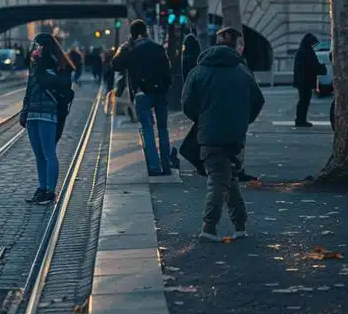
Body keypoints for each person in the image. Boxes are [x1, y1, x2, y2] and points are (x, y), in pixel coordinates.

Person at [182, 26, 265, 242]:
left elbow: (187, 104)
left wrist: (201, 119)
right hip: (235, 135)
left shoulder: (198, 71)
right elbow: (258, 101)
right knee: (228, 177)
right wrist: (243, 121)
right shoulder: (243, 71)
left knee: (217, 180)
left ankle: (209, 227)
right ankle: (240, 224)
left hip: (209, 133)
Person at [20, 33, 75, 205]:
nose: (35, 49)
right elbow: (29, 90)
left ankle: (50, 191)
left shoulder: (58, 64)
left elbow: (60, 86)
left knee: (48, 152)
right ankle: (42, 187)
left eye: (37, 46)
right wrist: (24, 110)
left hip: (48, 114)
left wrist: (41, 64)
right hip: (33, 114)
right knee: (38, 154)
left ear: (44, 46)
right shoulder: (35, 65)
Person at [113, 19, 173, 175]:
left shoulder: (131, 49)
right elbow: (168, 70)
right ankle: (166, 165)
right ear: (146, 31)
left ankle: (154, 166)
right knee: (163, 129)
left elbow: (116, 65)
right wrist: (165, 88)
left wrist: (125, 46)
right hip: (160, 93)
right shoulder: (158, 48)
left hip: (141, 93)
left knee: (147, 129)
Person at [292, 33, 326, 128]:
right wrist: (322, 67)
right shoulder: (307, 52)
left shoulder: (301, 51)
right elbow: (313, 66)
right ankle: (301, 120)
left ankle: (300, 119)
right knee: (304, 101)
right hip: (305, 81)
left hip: (302, 81)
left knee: (303, 101)